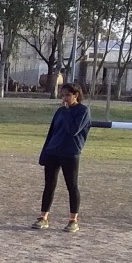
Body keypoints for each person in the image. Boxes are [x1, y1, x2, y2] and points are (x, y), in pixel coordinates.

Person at [35, 82, 91, 233]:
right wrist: (44, 152)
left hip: (70, 152)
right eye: (63, 95)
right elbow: (52, 132)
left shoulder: (83, 111)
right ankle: (43, 217)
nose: (64, 98)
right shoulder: (60, 111)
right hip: (53, 151)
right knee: (49, 185)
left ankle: (73, 220)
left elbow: (73, 130)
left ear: (76, 95)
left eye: (67, 95)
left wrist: (67, 111)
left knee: (71, 186)